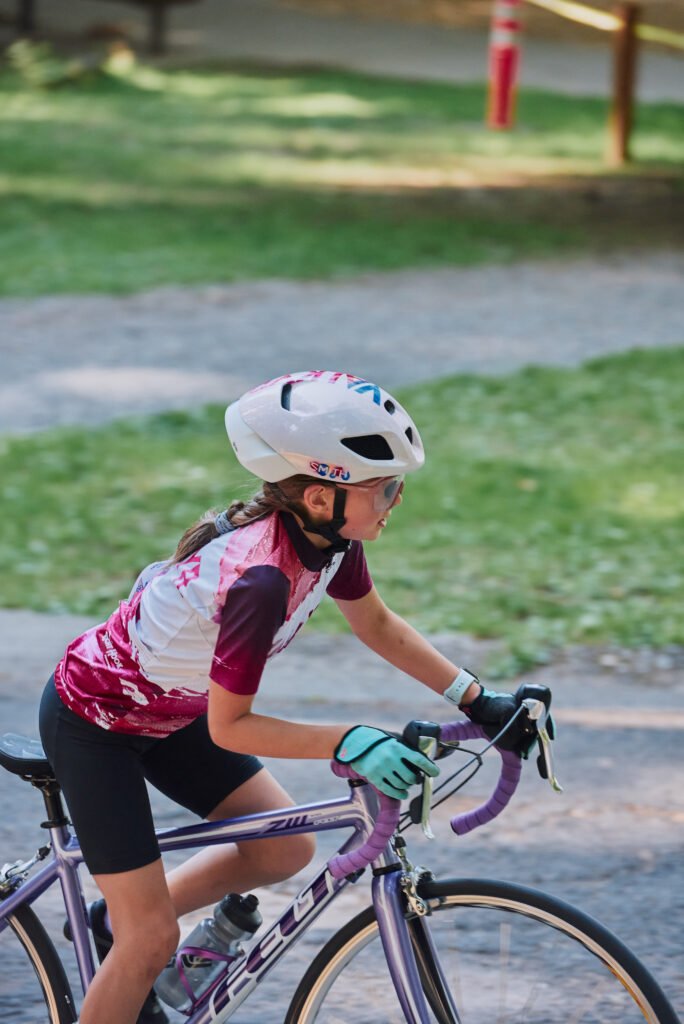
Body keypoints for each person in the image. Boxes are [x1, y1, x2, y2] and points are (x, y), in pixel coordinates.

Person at [39, 370, 535, 1024]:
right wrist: (348, 739)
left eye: (398, 486)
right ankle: (133, 936)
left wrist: (477, 700)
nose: (396, 500)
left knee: (284, 847)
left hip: (173, 712)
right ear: (321, 496)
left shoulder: (330, 542)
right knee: (152, 938)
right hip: (96, 725)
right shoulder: (261, 578)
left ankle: (111, 923)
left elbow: (377, 625)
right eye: (385, 488)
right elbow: (232, 726)